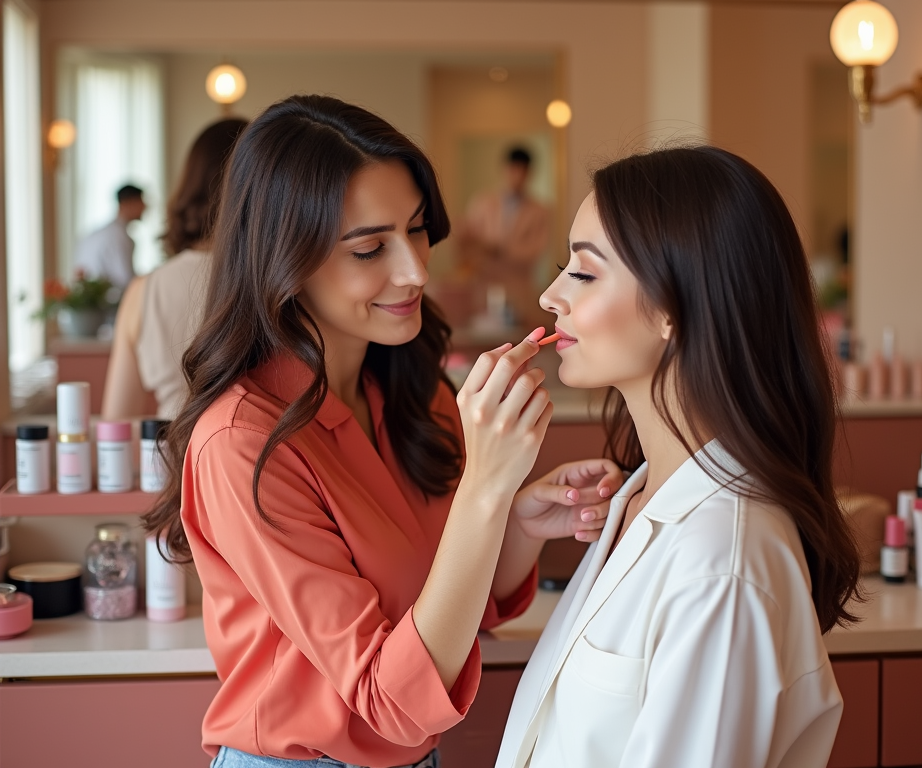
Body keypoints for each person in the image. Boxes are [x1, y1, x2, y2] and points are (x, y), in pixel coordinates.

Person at [141, 95, 621, 768]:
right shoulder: (242, 444)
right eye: (370, 248)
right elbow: (389, 698)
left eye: (418, 230)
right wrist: (485, 486)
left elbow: (451, 618)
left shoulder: (412, 392)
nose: (416, 272)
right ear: (286, 259)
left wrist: (514, 522)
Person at [496, 146, 864, 768]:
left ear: (674, 305)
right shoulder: (639, 498)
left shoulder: (722, 564)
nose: (551, 297)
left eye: (583, 274)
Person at [102, 119, 248, 420]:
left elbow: (116, 422)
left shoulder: (144, 291)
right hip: (260, 461)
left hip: (169, 459)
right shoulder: (285, 282)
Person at [457, 147, 549, 326]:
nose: (517, 176)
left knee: (516, 341)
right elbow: (468, 244)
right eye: (513, 169)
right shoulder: (482, 202)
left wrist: (497, 250)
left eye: (522, 171)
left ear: (529, 173)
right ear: (505, 169)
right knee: (484, 341)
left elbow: (534, 251)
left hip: (518, 290)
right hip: (484, 286)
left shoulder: (540, 211)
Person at [73, 183, 146, 289]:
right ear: (128, 203)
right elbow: (125, 279)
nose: (145, 206)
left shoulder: (100, 233)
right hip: (110, 303)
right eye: (141, 201)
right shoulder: (118, 236)